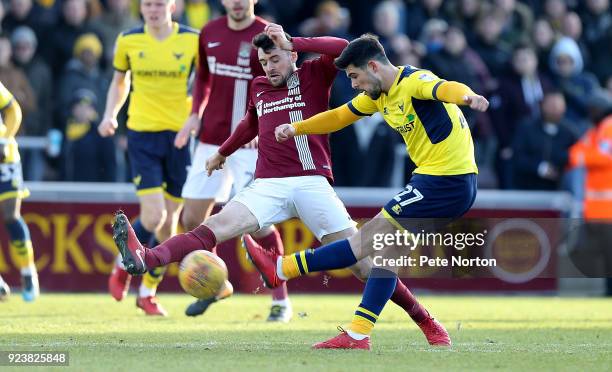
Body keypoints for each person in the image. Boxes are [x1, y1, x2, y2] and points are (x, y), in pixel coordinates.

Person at [112, 26, 452, 347]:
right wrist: (222, 153)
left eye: (275, 59)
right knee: (214, 225)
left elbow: (343, 48)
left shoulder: (313, 74)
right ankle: (146, 257)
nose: (269, 67)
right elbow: (250, 124)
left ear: (291, 56)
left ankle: (425, 321)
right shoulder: (259, 86)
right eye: (264, 62)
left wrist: (296, 41)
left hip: (311, 183)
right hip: (269, 184)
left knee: (365, 265)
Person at [246, 34, 488, 350]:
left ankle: (281, 268)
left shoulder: (414, 81)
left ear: (373, 66)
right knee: (385, 257)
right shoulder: (379, 95)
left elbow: (445, 88)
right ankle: (360, 334)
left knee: (366, 240)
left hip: (446, 181)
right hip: (437, 181)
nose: (355, 85)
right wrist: (297, 128)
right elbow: (339, 116)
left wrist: (469, 97)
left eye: (355, 76)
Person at [172, 0, 292, 321]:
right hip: (211, 138)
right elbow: (203, 78)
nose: (237, 2)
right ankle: (216, 284)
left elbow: (283, 83)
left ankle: (280, 300)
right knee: (192, 217)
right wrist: (195, 115)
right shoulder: (209, 32)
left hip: (250, 143)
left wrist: (262, 122)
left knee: (260, 222)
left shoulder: (267, 35)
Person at [98, 0, 198, 316]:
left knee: (170, 227)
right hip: (142, 134)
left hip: (180, 138)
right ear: (140, 8)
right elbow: (119, 82)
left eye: (159, 4)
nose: (153, 9)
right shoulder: (128, 40)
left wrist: (199, 117)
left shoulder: (192, 39)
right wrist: (109, 115)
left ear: (173, 6)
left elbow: (207, 86)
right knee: (154, 216)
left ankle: (147, 293)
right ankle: (120, 266)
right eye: (147, 4)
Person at [0, 81, 39, 301]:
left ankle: (28, 272)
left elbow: (13, 109)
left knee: (10, 215)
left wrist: (3, 139)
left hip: (3, 158)